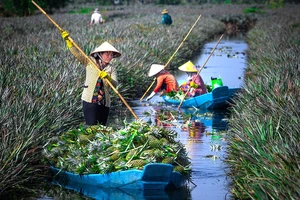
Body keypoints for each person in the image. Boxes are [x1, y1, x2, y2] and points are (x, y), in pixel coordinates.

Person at [60, 31, 121, 126]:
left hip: (104, 102)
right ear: (100, 54)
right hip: (90, 100)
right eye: (107, 54)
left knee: (102, 128)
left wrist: (108, 77)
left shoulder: (111, 68)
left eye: (111, 55)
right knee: (91, 126)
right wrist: (69, 42)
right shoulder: (90, 62)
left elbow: (115, 84)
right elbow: (77, 55)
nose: (110, 57)